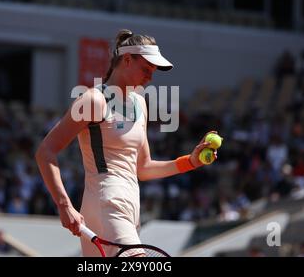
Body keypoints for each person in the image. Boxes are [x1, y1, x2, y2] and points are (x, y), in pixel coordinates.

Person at [35, 29, 217, 257]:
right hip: (107, 201)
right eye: (146, 69)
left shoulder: (140, 103)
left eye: (153, 72)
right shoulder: (93, 100)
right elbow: (46, 151)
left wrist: (189, 162)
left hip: (130, 206)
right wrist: (64, 205)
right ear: (127, 60)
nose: (150, 77)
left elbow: (143, 168)